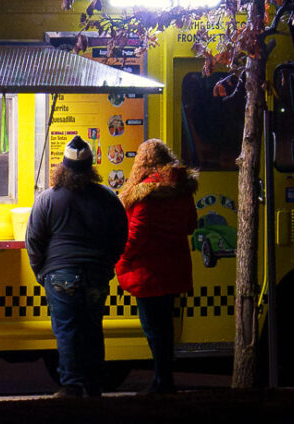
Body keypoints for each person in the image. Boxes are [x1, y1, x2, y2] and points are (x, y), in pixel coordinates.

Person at [26, 135, 127, 397]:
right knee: (92, 327)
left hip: (60, 275)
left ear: (63, 167)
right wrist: (106, 265)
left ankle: (71, 385)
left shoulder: (47, 199)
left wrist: (41, 272)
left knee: (67, 329)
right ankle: (93, 385)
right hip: (95, 274)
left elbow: (34, 240)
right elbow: (120, 236)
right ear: (91, 167)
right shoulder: (107, 197)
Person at [114, 138, 198, 395]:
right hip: (173, 268)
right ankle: (165, 378)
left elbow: (136, 234)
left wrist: (121, 262)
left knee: (153, 327)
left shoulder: (146, 193)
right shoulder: (181, 190)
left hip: (149, 271)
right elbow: (190, 226)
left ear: (142, 161)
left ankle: (162, 381)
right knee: (165, 326)